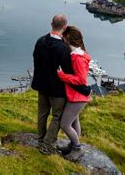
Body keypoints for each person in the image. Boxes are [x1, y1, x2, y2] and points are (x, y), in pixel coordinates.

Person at [32, 14, 73, 155]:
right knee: (58, 116)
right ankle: (47, 145)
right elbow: (68, 70)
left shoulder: (40, 41)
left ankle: (40, 140)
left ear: (51, 24)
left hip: (41, 85)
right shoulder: (63, 48)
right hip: (57, 89)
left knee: (42, 114)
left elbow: (35, 61)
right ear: (65, 27)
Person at [57, 26, 91, 161]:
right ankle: (72, 145)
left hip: (78, 97)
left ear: (67, 39)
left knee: (64, 124)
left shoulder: (77, 58)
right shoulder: (78, 54)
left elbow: (81, 80)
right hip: (77, 96)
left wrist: (62, 76)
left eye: (63, 38)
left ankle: (77, 148)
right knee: (74, 121)